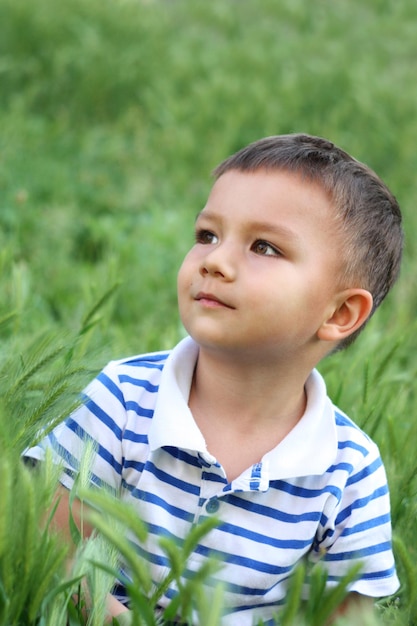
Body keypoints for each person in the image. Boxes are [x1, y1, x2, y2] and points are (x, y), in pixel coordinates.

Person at [25, 134, 403, 625]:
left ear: (340, 312)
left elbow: (346, 617)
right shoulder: (123, 399)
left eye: (263, 247)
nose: (215, 261)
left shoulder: (349, 470)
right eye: (207, 235)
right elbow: (52, 543)